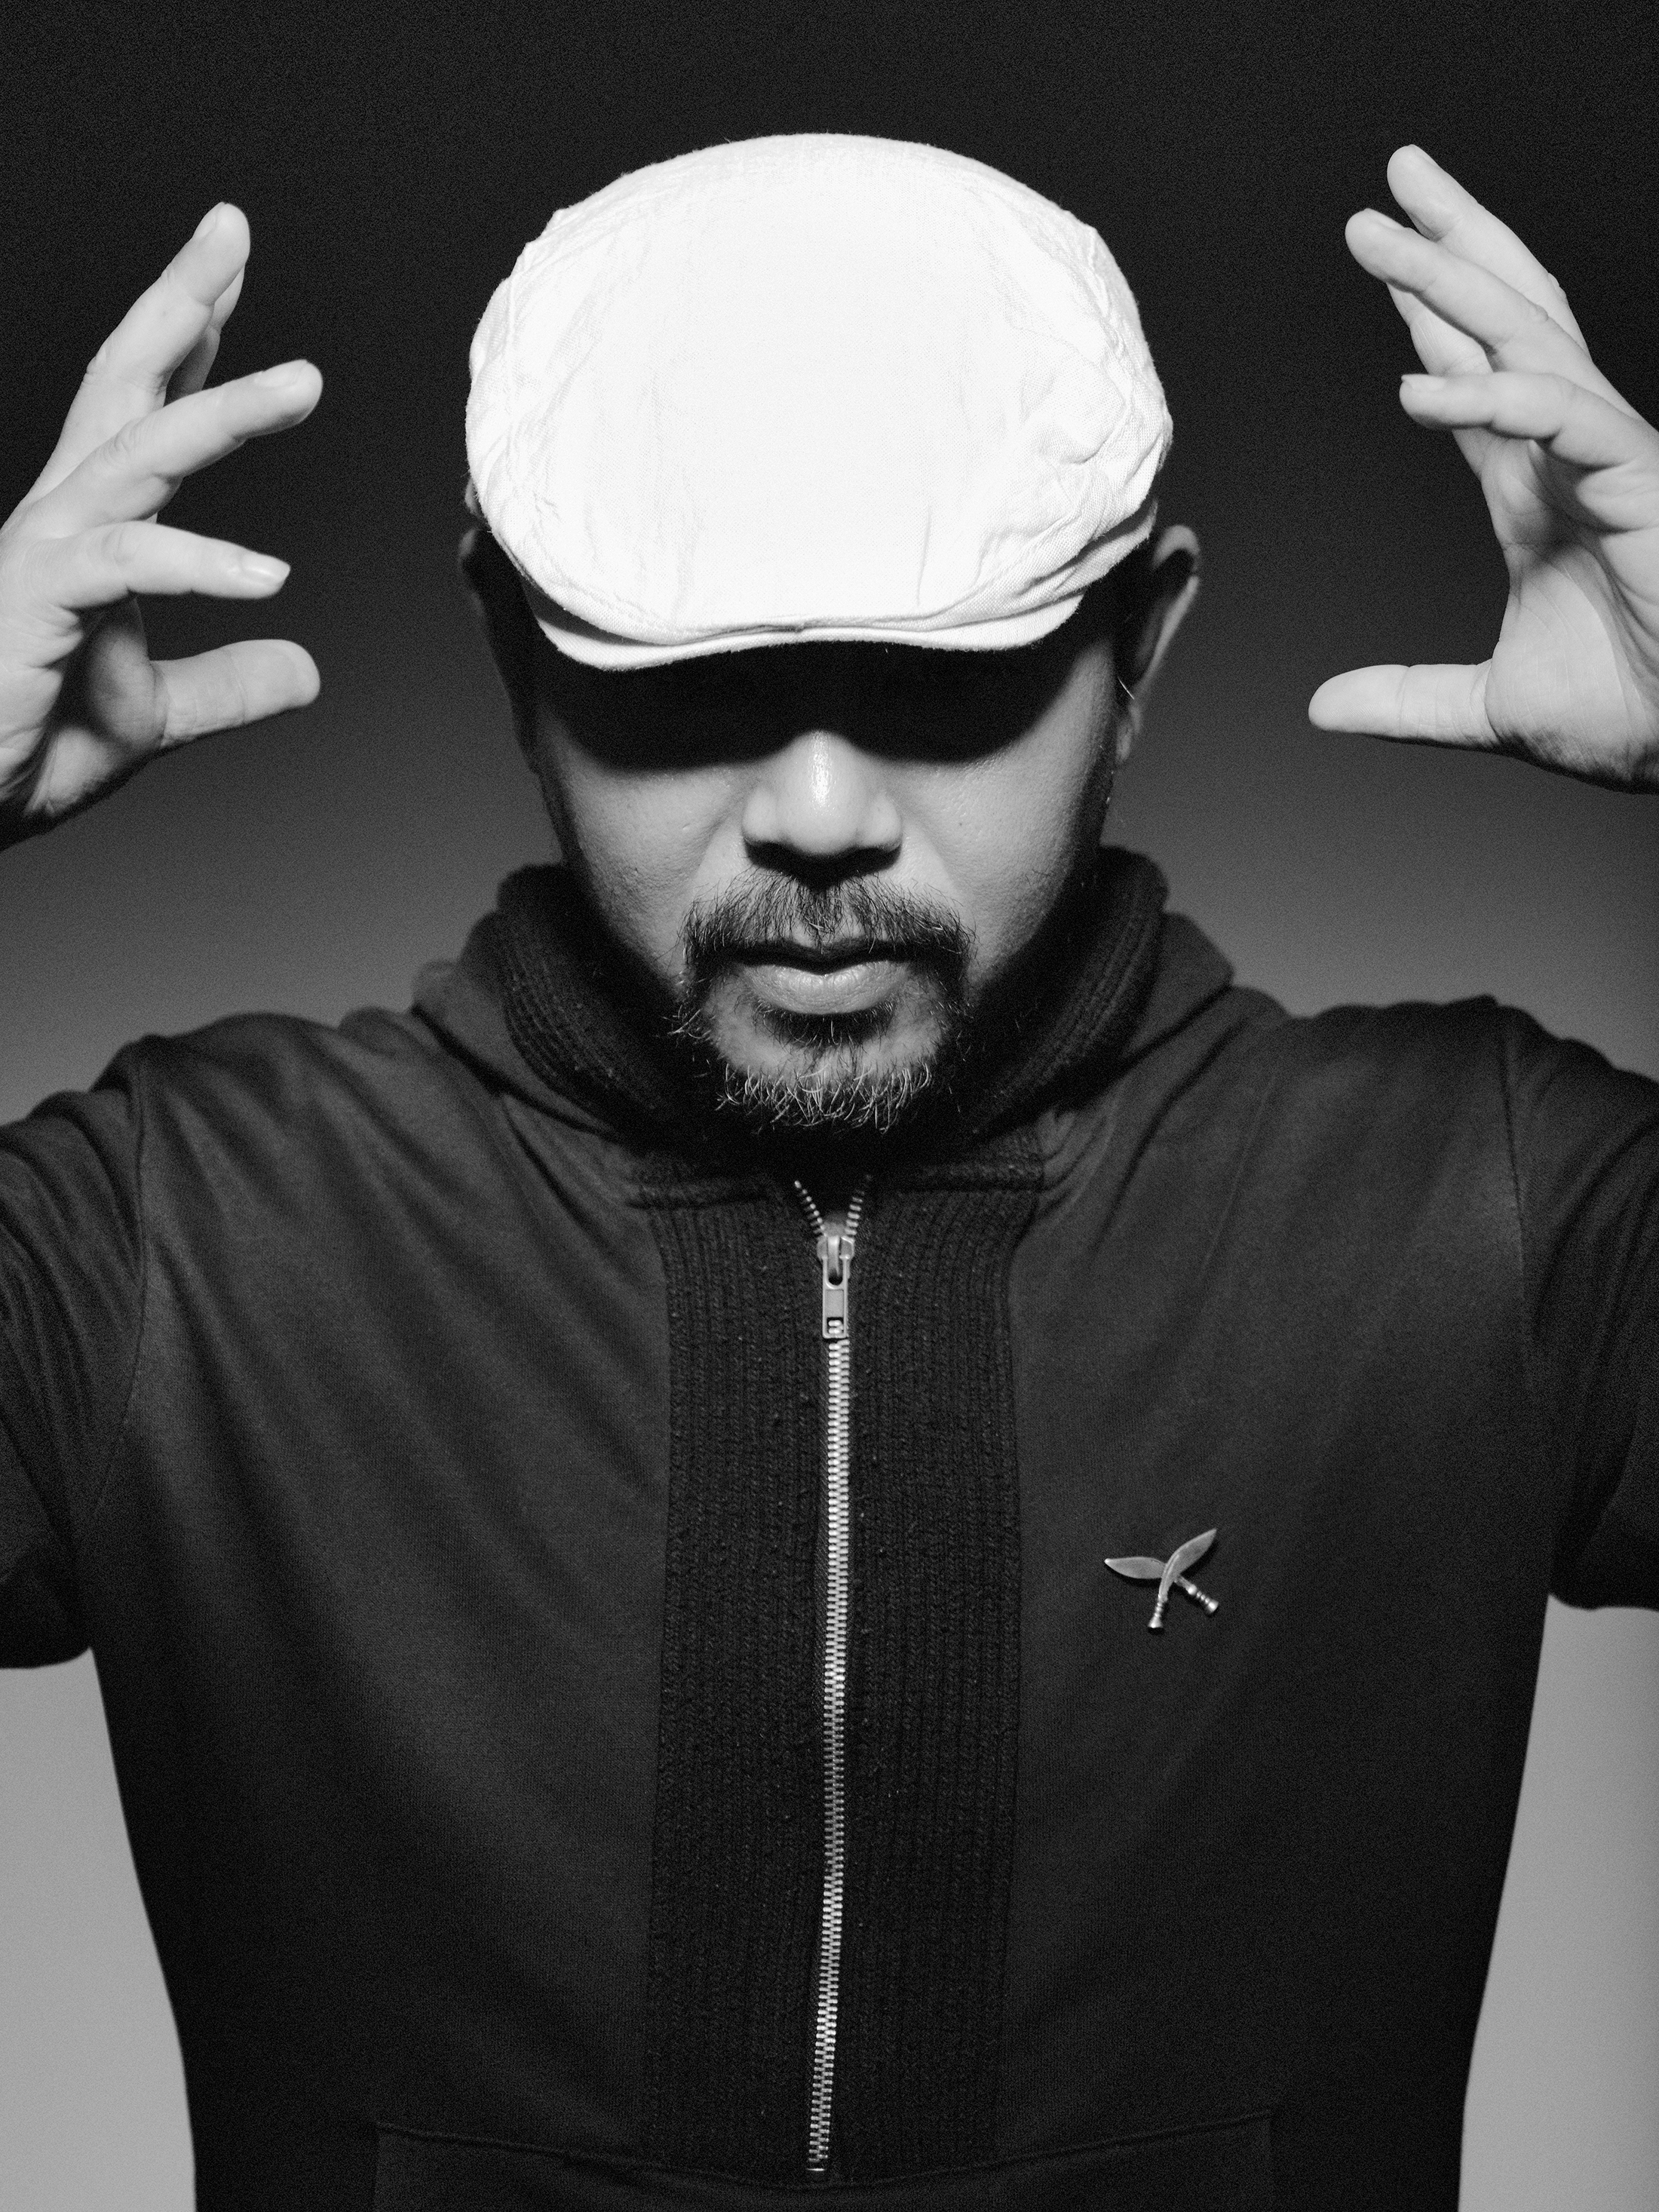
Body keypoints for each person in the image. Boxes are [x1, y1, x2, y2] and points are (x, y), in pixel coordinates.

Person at [0, 133, 1653, 2212]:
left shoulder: (1477, 1211)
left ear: (1139, 649)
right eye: (691, 691)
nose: (815, 810)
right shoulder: (181, 1237)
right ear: (515, 655)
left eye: (940, 684)